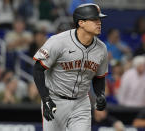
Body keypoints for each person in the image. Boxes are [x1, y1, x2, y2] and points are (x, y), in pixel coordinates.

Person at [33, 3, 108, 131]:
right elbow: (38, 69)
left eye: (99, 19)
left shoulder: (101, 49)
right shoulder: (58, 42)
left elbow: (99, 77)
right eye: (94, 19)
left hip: (82, 102)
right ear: (81, 23)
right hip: (56, 99)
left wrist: (100, 94)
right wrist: (45, 98)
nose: (99, 22)